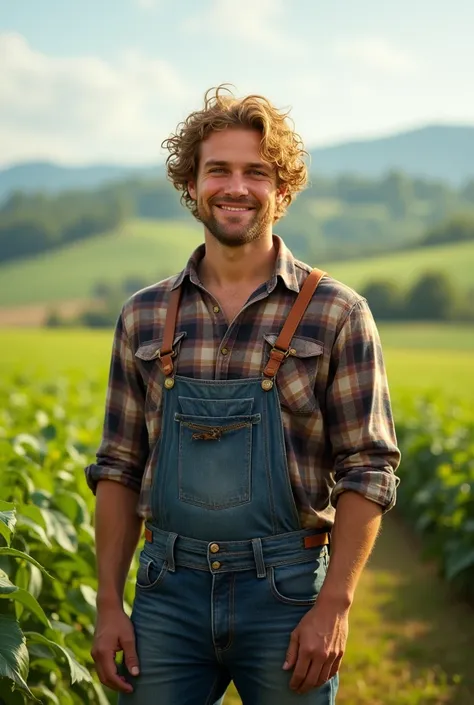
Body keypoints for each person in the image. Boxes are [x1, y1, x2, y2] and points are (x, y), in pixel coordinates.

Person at [86, 85, 401, 704]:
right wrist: (107, 605)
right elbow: (118, 468)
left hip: (286, 593)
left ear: (282, 190)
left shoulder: (338, 312)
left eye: (257, 172)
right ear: (192, 185)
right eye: (218, 170)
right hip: (166, 591)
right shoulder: (144, 315)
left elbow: (369, 468)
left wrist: (333, 606)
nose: (236, 186)